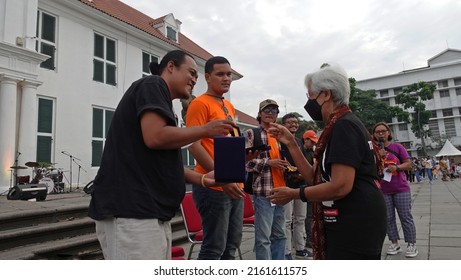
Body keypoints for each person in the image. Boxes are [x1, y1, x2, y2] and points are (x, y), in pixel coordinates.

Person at [88, 50, 234, 260]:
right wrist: (205, 130)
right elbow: (155, 137)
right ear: (171, 67)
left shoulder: (163, 102)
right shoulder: (152, 85)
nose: (194, 79)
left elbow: (163, 162)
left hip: (149, 212)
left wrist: (202, 178)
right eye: (191, 73)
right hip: (133, 211)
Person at [267, 64, 387, 260]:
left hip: (355, 221)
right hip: (347, 217)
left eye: (311, 95)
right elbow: (315, 178)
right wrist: (291, 142)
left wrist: (295, 193)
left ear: (326, 94)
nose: (309, 101)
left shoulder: (344, 126)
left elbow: (340, 186)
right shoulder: (336, 127)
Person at [185, 56, 245, 260]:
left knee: (232, 245)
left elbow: (228, 141)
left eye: (228, 74)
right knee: (214, 248)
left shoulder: (228, 105)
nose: (226, 78)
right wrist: (221, 177)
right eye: (220, 74)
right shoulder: (199, 104)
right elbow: (194, 145)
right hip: (212, 185)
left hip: (232, 183)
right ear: (207, 77)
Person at [243, 99, 288, 260]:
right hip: (263, 192)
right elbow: (244, 162)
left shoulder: (279, 135)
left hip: (280, 191)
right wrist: (268, 162)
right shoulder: (251, 133)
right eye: (266, 110)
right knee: (263, 238)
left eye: (274, 111)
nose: (270, 113)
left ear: (277, 116)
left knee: (280, 235)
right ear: (260, 113)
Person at [372, 122, 419, 258]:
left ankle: (411, 244)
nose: (381, 134)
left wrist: (397, 167)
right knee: (388, 218)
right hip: (383, 190)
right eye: (377, 132)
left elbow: (409, 164)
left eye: (383, 131)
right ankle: (394, 243)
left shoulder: (397, 147)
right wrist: (378, 158)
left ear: (389, 133)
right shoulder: (373, 150)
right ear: (374, 135)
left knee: (405, 217)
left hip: (401, 189)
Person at [280, 113, 313, 260]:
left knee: (300, 218)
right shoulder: (279, 141)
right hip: (286, 184)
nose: (293, 124)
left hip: (301, 185)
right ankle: (286, 251)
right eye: (290, 122)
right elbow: (281, 162)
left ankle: (300, 248)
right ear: (284, 124)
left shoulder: (299, 141)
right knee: (286, 221)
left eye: (295, 122)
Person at [302, 130, 318, 249]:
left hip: (311, 186)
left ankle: (311, 237)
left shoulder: (312, 153)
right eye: (311, 142)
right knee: (307, 215)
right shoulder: (300, 152)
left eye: (314, 142)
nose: (312, 144)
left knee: (310, 214)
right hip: (302, 186)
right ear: (305, 139)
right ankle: (309, 239)